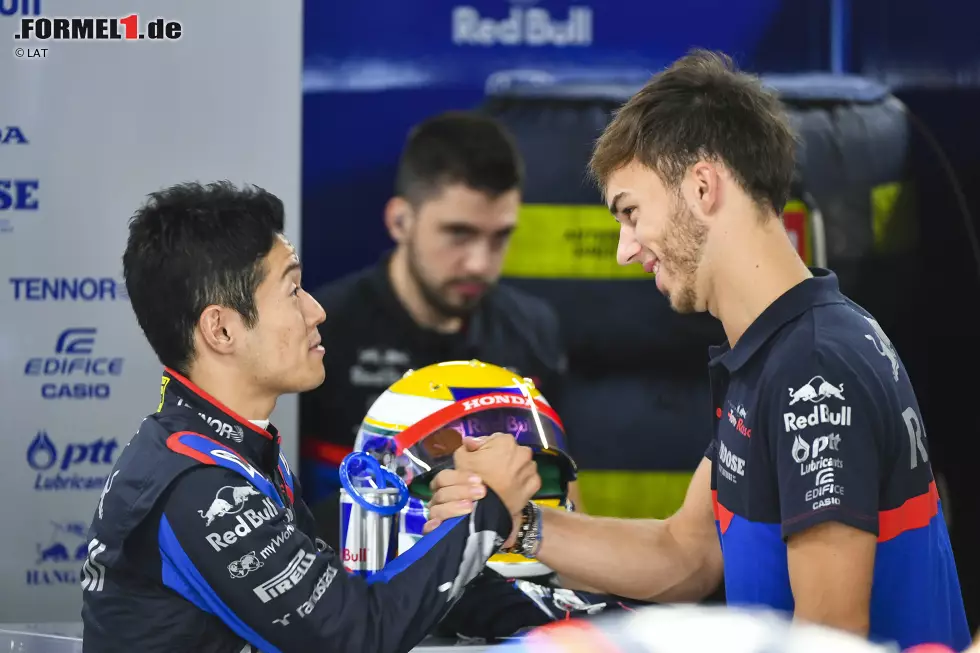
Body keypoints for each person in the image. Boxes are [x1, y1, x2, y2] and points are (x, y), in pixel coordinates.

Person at [423, 50, 971, 651]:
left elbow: (830, 641)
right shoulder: (780, 349)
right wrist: (514, 522)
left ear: (703, 186)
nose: (624, 250)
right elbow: (684, 555)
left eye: (631, 212)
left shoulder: (814, 369)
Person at [80, 181, 541, 653]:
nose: (316, 311)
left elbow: (340, 604)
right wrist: (488, 506)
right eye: (293, 290)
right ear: (220, 329)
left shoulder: (236, 455)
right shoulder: (196, 485)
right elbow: (353, 637)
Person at [299, 110, 580, 523]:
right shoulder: (323, 331)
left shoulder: (532, 331)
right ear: (400, 221)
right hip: (355, 573)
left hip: (499, 576)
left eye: (500, 236)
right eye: (459, 234)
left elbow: (566, 501)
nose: (480, 264)